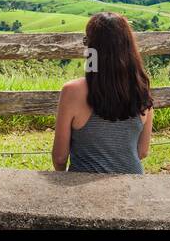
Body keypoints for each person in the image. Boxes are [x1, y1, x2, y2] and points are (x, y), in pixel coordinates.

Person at [52, 12, 154, 174]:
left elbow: (60, 157)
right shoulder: (141, 88)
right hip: (132, 188)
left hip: (83, 188)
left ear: (92, 49)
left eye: (87, 42)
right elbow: (142, 151)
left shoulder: (72, 91)